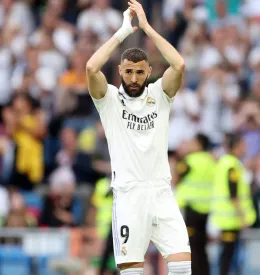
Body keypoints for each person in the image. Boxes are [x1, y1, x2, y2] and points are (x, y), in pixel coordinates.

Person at [85, 0, 191, 274]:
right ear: (120, 71)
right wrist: (123, 32)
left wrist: (146, 27)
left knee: (182, 268)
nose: (134, 78)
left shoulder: (159, 95)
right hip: (129, 196)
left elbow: (178, 64)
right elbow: (91, 68)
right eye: (128, 71)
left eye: (139, 72)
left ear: (148, 72)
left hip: (162, 192)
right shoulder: (108, 100)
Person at [210, 134, 256, 275]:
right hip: (231, 219)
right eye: (243, 144)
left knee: (226, 255)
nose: (246, 147)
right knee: (227, 257)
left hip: (225, 218)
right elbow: (233, 194)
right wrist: (242, 217)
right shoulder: (232, 166)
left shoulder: (224, 162)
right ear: (236, 146)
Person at [175, 134, 216, 275]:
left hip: (191, 209)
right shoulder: (211, 161)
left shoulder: (190, 160)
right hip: (206, 209)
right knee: (202, 246)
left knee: (190, 246)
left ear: (199, 143)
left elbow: (176, 176)